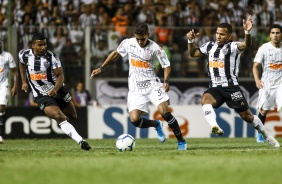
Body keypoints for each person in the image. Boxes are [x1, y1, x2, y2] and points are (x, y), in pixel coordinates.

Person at [90, 23, 187, 150]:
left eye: (142, 38)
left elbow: (166, 66)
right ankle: (156, 124)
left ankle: (181, 141)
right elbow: (115, 53)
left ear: (148, 35)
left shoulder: (156, 48)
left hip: (152, 85)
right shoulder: (128, 43)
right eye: (138, 39)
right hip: (135, 88)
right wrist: (101, 67)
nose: (140, 42)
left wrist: (166, 81)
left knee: (165, 112)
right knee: (135, 120)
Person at [187, 15, 280, 147]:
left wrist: (247, 32)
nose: (218, 36)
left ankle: (266, 136)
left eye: (222, 34)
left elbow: (246, 44)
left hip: (232, 88)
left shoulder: (233, 46)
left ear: (229, 36)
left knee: (247, 117)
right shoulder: (209, 46)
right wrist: (190, 41)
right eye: (217, 33)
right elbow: (193, 53)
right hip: (215, 88)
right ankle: (215, 126)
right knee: (205, 100)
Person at [18, 33, 91, 150]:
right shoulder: (24, 54)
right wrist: (24, 81)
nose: (43, 47)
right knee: (58, 116)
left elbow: (60, 75)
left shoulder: (52, 57)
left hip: (58, 90)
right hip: (41, 94)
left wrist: (55, 89)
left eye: (45, 44)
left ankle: (57, 107)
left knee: (73, 116)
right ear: (33, 45)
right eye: (40, 45)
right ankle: (81, 141)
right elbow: (21, 64)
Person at [252, 24, 282, 143]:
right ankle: (260, 134)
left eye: (278, 33)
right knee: (263, 111)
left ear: (281, 34)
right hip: (267, 84)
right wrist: (257, 80)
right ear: (270, 35)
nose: (275, 35)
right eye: (273, 33)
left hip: (280, 83)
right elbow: (255, 66)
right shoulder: (264, 48)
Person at [0, 41, 18, 143]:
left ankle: (0, 135)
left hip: (3, 85)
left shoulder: (7, 56)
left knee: (1, 107)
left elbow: (15, 72)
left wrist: (15, 86)